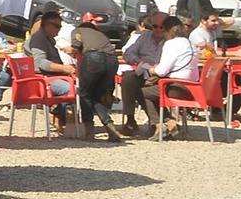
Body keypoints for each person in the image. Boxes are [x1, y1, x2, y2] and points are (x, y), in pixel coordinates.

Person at [139, 16, 198, 138]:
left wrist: (150, 68)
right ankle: (170, 123)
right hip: (193, 87)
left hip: (177, 87)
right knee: (151, 92)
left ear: (167, 30)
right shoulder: (190, 43)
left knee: (140, 92)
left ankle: (160, 125)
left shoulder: (171, 44)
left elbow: (161, 71)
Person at [67, 12, 122, 141]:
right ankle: (109, 126)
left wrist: (65, 49)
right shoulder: (101, 34)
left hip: (93, 59)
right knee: (98, 96)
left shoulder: (77, 30)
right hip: (112, 60)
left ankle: (89, 131)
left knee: (85, 94)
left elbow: (75, 47)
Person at [120, 12, 168, 135]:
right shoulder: (144, 37)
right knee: (128, 78)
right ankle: (130, 119)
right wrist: (141, 61)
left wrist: (156, 67)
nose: (157, 30)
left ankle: (158, 121)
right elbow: (128, 54)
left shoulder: (170, 41)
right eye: (154, 26)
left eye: (161, 27)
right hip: (143, 70)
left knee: (139, 87)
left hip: (161, 74)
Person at [27, 10, 76, 129]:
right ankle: (62, 116)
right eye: (57, 26)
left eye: (60, 26)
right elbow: (40, 62)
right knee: (71, 89)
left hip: (54, 76)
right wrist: (64, 68)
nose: (59, 29)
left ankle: (64, 115)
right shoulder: (38, 39)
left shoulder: (49, 38)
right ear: (46, 24)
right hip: (44, 79)